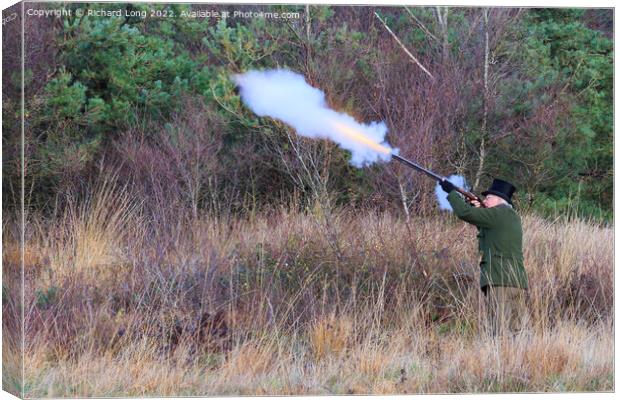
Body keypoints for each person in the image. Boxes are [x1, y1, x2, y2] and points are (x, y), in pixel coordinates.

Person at [440, 178, 529, 336]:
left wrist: (452, 193)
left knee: (500, 331)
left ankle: (501, 360)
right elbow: (488, 228)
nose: (485, 200)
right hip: (515, 281)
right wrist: (477, 207)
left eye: (489, 198)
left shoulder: (500, 212)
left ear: (499, 200)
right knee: (516, 332)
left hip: (500, 279)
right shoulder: (508, 215)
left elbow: (465, 213)